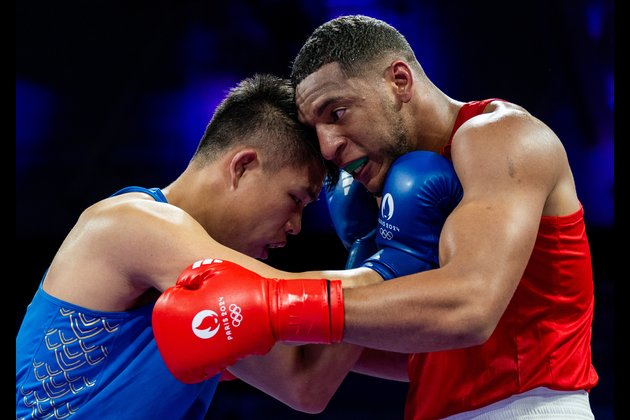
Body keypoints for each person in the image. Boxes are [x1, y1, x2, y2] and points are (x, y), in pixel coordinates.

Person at [158, 14, 599, 419]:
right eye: (317, 129)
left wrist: (273, 307)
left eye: (337, 113)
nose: (329, 147)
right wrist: (269, 340)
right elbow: (425, 354)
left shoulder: (499, 136)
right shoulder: (397, 196)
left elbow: (471, 307)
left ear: (399, 80)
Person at [15, 73, 382, 419]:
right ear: (242, 166)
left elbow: (304, 386)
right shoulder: (130, 225)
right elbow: (288, 294)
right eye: (296, 199)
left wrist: (371, 253)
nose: (296, 227)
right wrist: (393, 247)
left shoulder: (218, 305)